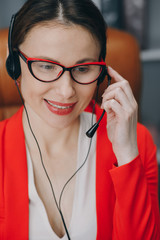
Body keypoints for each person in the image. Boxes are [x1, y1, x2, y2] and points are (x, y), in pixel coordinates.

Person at [0, 0, 159, 239]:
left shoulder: (137, 143)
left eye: (83, 69)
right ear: (14, 66)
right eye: (46, 66)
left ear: (102, 71)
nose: (66, 92)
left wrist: (126, 156)